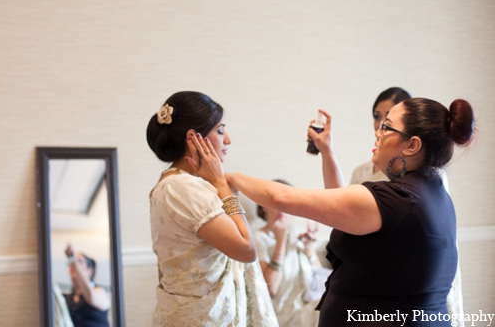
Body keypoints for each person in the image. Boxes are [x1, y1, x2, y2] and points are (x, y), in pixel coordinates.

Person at [192, 97, 475, 326]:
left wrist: (226, 178)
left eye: (387, 126)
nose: (378, 132)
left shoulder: (399, 199)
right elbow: (343, 206)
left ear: (412, 145)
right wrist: (326, 151)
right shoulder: (429, 190)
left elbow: (283, 196)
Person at [147, 91, 278, 327]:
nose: (227, 139)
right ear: (194, 138)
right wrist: (221, 187)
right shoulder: (183, 187)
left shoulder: (173, 182)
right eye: (220, 130)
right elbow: (247, 250)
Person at [345, 87, 465, 324]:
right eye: (376, 117)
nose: (378, 127)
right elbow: (340, 205)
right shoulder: (363, 170)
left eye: (387, 120)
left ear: (413, 140)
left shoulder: (426, 182)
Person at [254, 179, 331, 326]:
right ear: (263, 205)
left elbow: (320, 282)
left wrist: (309, 247)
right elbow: (271, 288)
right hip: (281, 315)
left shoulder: (296, 235)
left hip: (308, 309)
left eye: (287, 202)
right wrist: (281, 243)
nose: (282, 208)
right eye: (277, 201)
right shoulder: (259, 239)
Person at [350, 87, 412, 184]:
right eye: (377, 117)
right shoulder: (360, 172)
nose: (380, 129)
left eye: (388, 120)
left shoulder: (417, 177)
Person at [63, 245, 111, 327]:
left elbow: (90, 296)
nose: (73, 264)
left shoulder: (100, 292)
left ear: (90, 271)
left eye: (79, 261)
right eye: (71, 262)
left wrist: (74, 259)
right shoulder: (66, 298)